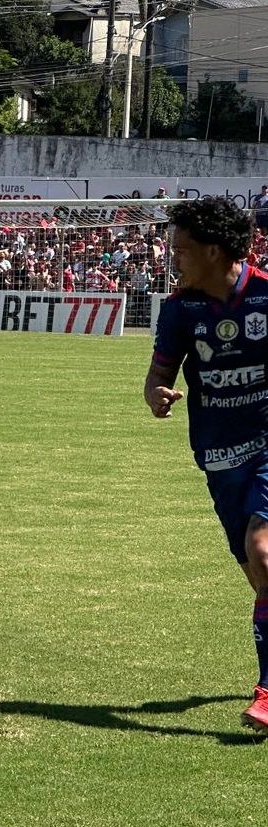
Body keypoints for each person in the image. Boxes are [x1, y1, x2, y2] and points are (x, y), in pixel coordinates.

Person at [145, 196, 268, 732]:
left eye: (181, 249)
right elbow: (157, 375)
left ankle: (267, 691)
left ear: (214, 251)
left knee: (262, 554)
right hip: (219, 455)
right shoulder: (180, 310)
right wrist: (156, 394)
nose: (173, 257)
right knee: (260, 577)